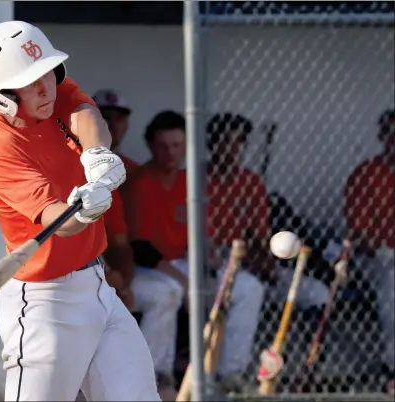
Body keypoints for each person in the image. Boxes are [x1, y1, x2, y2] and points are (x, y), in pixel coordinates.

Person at [0, 20, 160, 401]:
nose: (45, 87)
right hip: (44, 304)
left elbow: (87, 117)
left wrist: (96, 155)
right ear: (3, 95)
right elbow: (59, 220)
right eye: (30, 81)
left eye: (47, 74)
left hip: (98, 288)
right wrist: (84, 211)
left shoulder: (53, 92)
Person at [122, 110, 329, 393]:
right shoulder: (141, 183)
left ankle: (229, 373)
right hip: (150, 268)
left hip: (183, 263)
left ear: (186, 147)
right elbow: (141, 249)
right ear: (150, 146)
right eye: (162, 146)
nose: (170, 153)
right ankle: (156, 374)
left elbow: (200, 234)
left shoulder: (188, 181)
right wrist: (187, 281)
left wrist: (211, 259)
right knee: (170, 290)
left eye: (176, 145)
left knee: (247, 286)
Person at [344, 109, 395, 395]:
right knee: (393, 277)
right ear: (382, 136)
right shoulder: (365, 174)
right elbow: (360, 237)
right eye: (391, 133)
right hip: (375, 259)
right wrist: (382, 246)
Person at [93, 89, 139, 175]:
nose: (113, 124)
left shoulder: (135, 172)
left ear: (126, 125)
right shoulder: (73, 165)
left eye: (119, 118)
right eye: (105, 117)